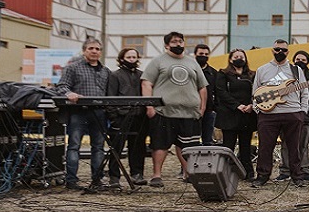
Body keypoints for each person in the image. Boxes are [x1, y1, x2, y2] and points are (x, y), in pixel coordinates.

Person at [141, 31, 207, 188]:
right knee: (160, 145)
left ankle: (188, 173)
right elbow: (146, 83)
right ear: (166, 45)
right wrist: (149, 105)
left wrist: (202, 107)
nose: (178, 44)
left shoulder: (192, 63)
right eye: (174, 41)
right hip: (164, 111)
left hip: (189, 113)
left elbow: (202, 86)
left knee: (187, 146)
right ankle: (157, 175)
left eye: (181, 41)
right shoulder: (158, 61)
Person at [55, 36, 111, 191]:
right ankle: (71, 180)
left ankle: (97, 180)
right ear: (84, 50)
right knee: (73, 146)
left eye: (97, 49)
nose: (94, 51)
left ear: (101, 52)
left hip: (99, 113)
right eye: (91, 48)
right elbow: (61, 86)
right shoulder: (72, 68)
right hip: (78, 112)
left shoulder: (106, 71)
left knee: (98, 147)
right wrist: (69, 94)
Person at [251, 39, 309, 187]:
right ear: (272, 51)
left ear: (288, 52)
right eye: (277, 49)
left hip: (293, 113)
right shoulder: (262, 70)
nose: (280, 52)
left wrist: (303, 111)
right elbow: (255, 92)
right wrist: (257, 109)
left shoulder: (296, 70)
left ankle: (297, 176)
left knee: (294, 148)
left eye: (283, 50)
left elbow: (305, 92)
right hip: (268, 115)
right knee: (265, 147)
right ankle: (262, 176)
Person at [106, 48, 148, 187]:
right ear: (122, 58)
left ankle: (137, 173)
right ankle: (114, 176)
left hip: (138, 116)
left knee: (137, 147)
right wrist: (113, 117)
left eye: (134, 57)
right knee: (116, 147)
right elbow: (110, 96)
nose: (131, 59)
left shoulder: (142, 76)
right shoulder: (115, 75)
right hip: (121, 116)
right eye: (128, 57)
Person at [214, 49, 257, 181]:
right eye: (236, 56)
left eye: (241, 56)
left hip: (247, 115)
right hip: (229, 114)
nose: (239, 58)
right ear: (231, 59)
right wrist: (237, 105)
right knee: (229, 146)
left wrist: (251, 105)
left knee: (246, 147)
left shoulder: (252, 74)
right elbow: (221, 92)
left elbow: (257, 91)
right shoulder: (223, 73)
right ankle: (225, 172)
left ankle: (247, 173)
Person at [277, 50, 309, 180]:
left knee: (303, 145)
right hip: (287, 114)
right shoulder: (286, 75)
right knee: (286, 144)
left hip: (306, 116)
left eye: (303, 60)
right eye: (298, 59)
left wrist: (306, 112)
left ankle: (303, 170)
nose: (300, 62)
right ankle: (285, 170)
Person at [194, 44, 218, 145]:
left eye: (206, 54)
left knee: (208, 140)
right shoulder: (190, 70)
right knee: (192, 140)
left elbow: (217, 91)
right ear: (195, 54)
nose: (203, 56)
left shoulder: (213, 73)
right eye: (201, 54)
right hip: (192, 109)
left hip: (209, 110)